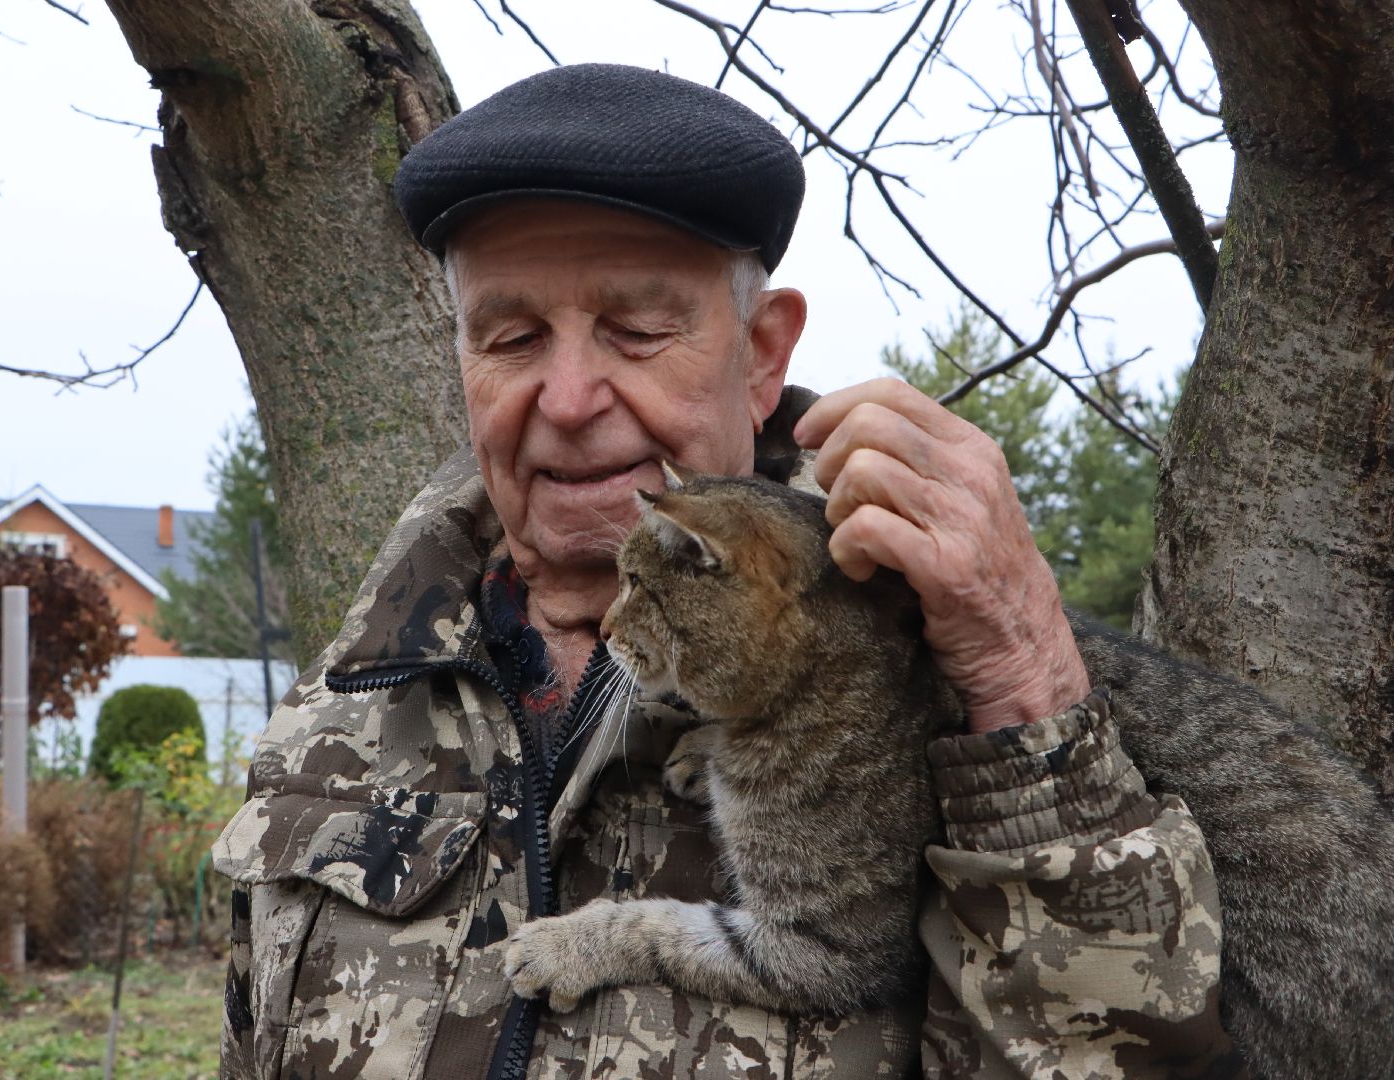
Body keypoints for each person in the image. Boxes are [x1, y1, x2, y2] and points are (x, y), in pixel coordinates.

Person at [213, 64, 1241, 1079]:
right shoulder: (337, 712)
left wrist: (1022, 682)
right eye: (512, 337)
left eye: (638, 331)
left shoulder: (959, 675)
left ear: (762, 355)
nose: (567, 400)